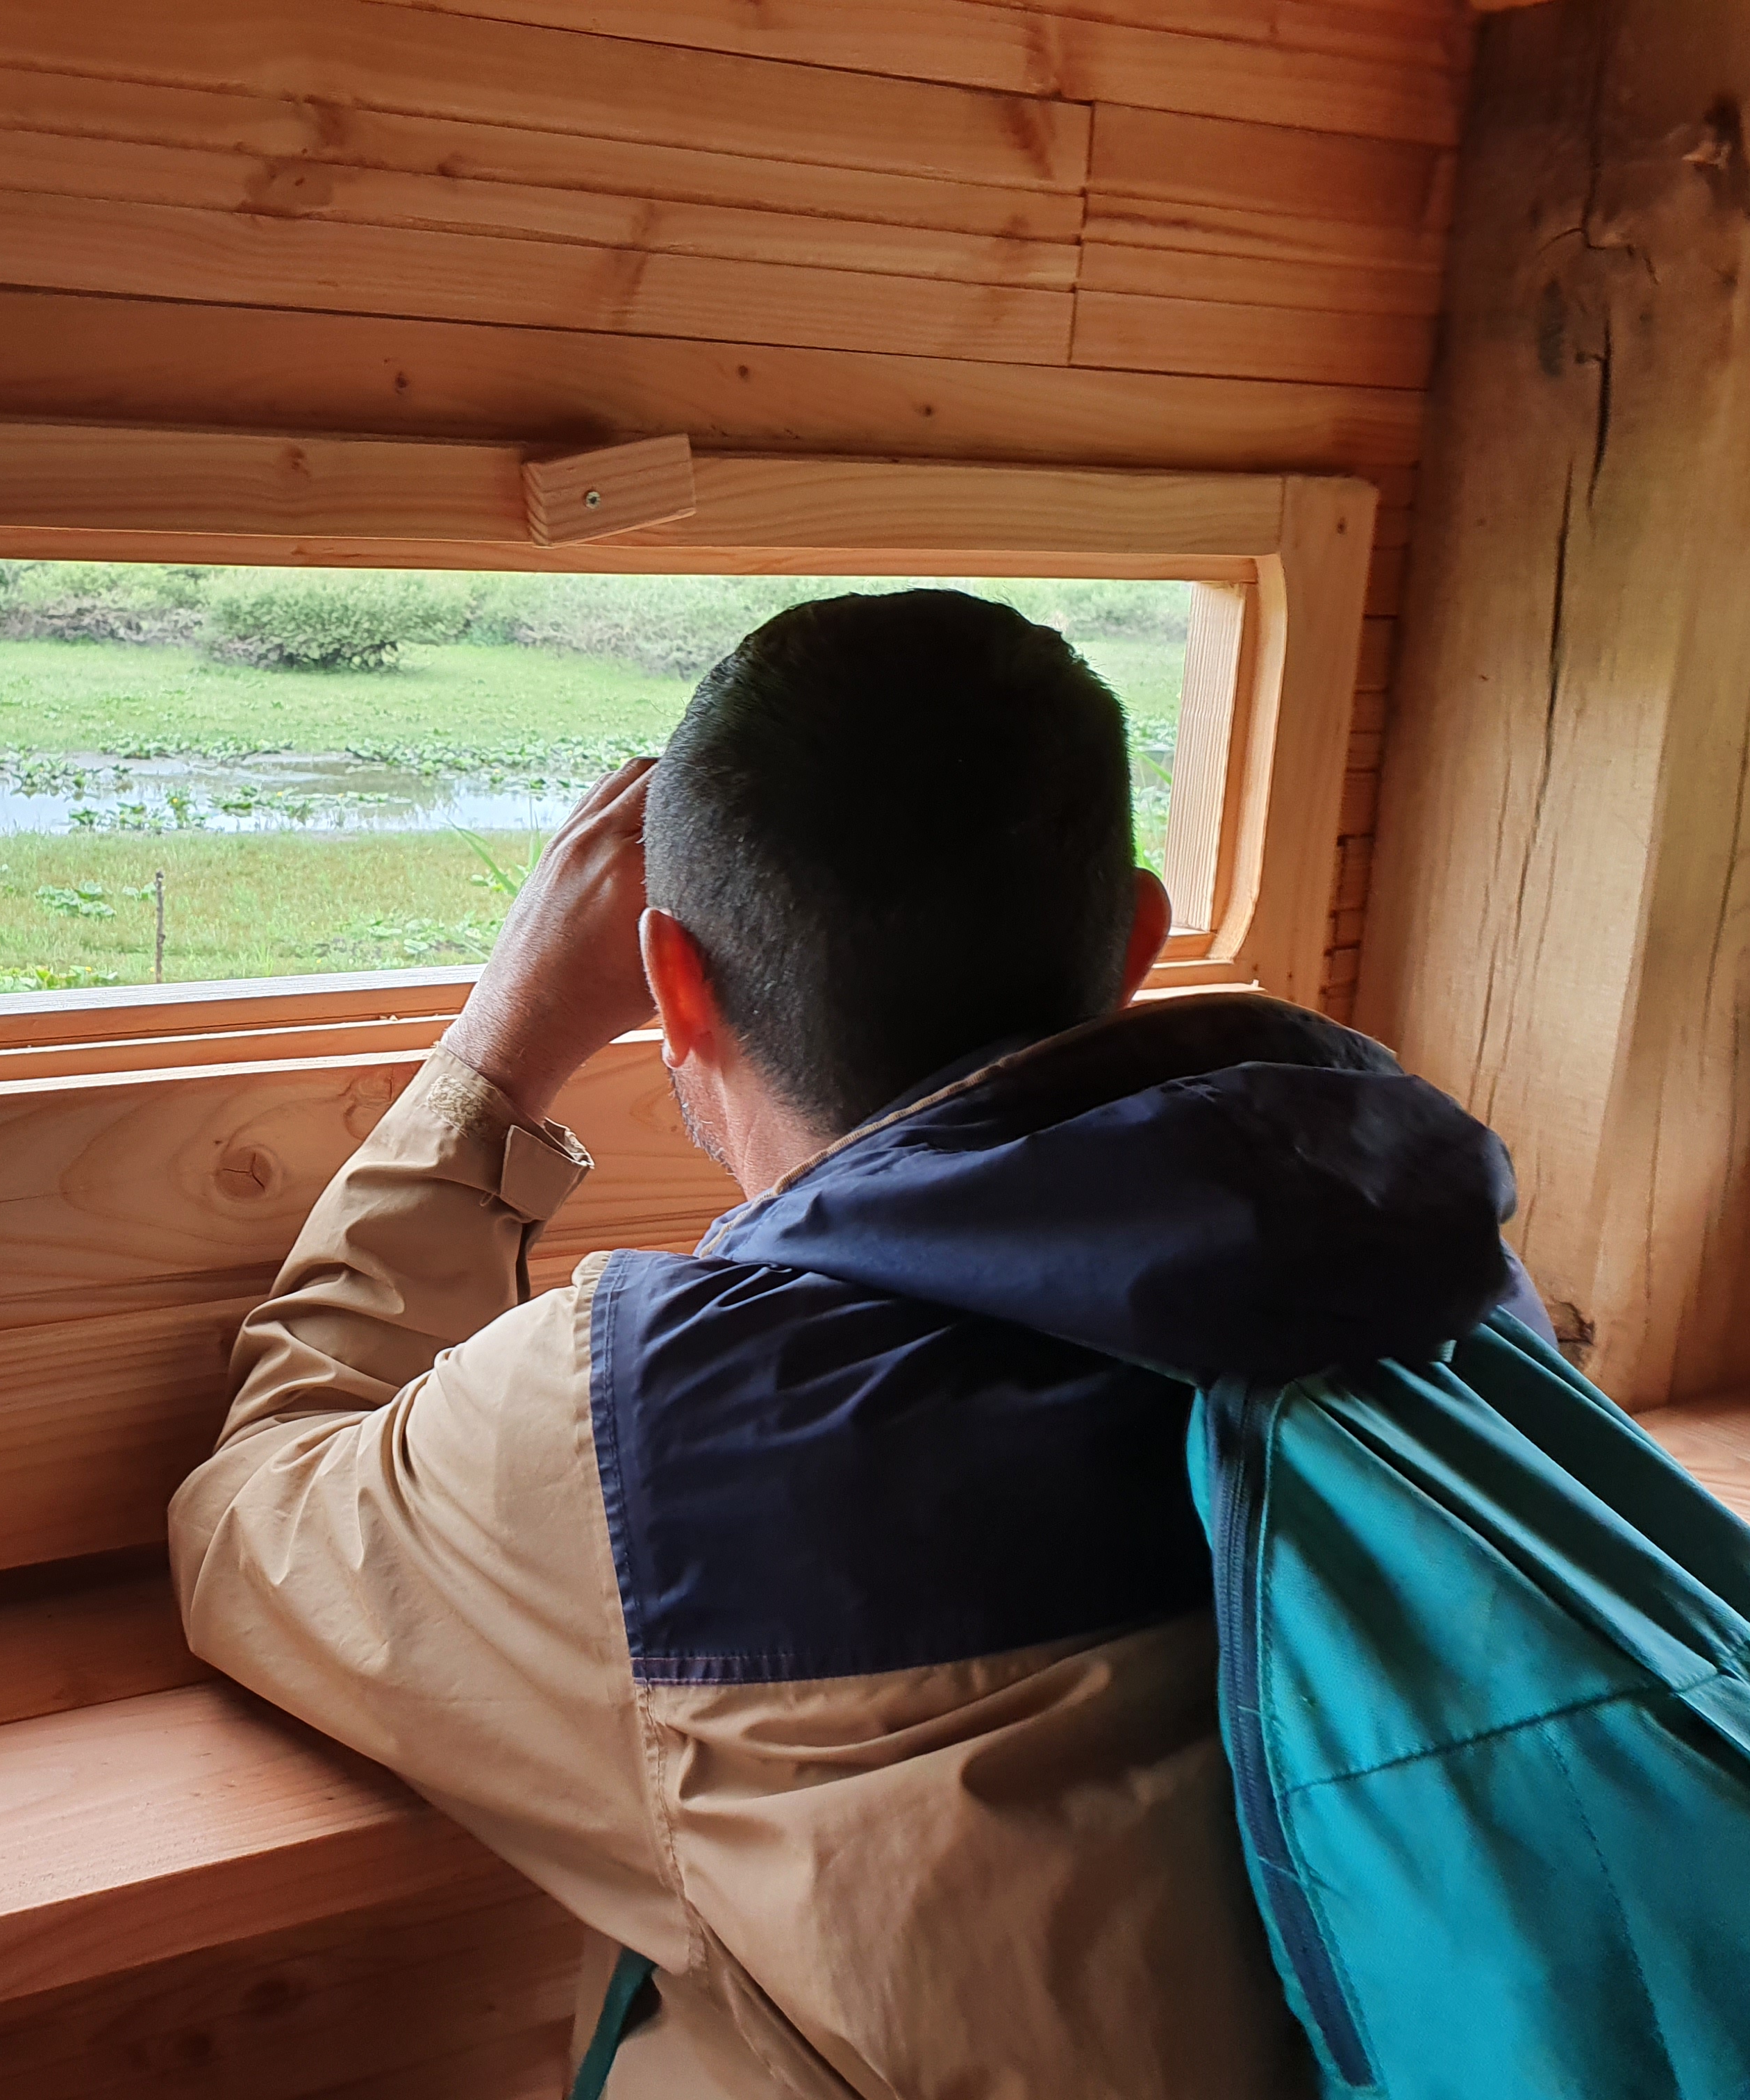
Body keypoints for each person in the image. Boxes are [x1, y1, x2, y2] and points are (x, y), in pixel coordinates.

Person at [167, 590, 1533, 2099]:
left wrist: (499, 1050)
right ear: (1138, 939)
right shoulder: (1437, 1275)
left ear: (672, 983)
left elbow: (249, 1522)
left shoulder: (661, 1431)